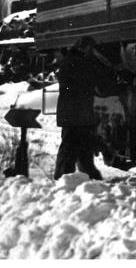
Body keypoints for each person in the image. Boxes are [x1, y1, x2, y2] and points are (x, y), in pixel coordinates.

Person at [53, 36, 116, 180]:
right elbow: (91, 80)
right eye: (90, 48)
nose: (91, 51)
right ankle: (64, 176)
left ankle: (84, 175)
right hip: (76, 110)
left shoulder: (70, 60)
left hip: (74, 110)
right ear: (84, 47)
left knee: (80, 145)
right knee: (73, 145)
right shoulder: (79, 62)